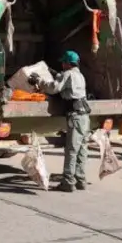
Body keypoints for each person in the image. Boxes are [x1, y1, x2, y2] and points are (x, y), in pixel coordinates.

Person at [28, 50, 91, 193]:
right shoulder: (80, 75)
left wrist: (39, 81)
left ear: (68, 63)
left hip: (75, 116)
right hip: (84, 116)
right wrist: (56, 74)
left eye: (63, 62)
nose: (62, 64)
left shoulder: (67, 74)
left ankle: (68, 182)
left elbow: (53, 88)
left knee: (71, 150)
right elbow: (68, 84)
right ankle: (80, 180)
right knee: (82, 149)